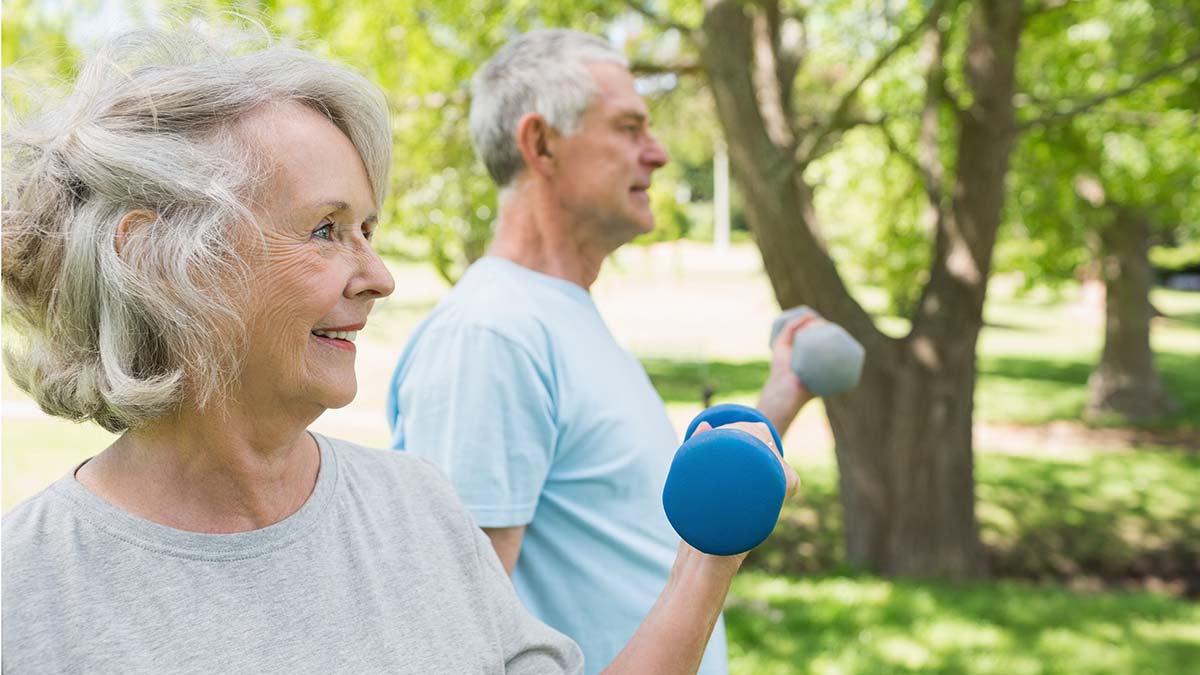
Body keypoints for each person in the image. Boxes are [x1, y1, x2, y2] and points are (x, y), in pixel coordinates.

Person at [0, 27, 797, 675]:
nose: (378, 277)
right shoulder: (29, 591)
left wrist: (708, 557)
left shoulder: (419, 509)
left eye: (368, 232)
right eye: (325, 230)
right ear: (158, 263)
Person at [386, 29, 819, 674]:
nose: (660, 153)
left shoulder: (555, 314)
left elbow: (637, 535)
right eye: (629, 127)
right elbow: (459, 643)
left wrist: (775, 405)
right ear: (541, 144)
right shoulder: (492, 335)